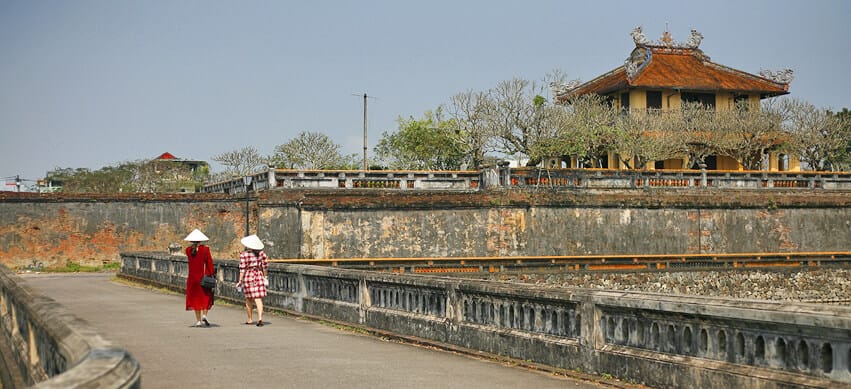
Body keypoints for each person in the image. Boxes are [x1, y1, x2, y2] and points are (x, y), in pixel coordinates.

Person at [184, 228, 215, 327]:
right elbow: (209, 263)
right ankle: (204, 315)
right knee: (205, 296)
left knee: (196, 299)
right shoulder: (205, 250)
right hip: (203, 278)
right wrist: (211, 274)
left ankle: (198, 321)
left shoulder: (188, 250)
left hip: (192, 278)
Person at [237, 234, 268, 327]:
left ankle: (250, 319)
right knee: (258, 299)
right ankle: (260, 318)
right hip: (258, 275)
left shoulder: (244, 255)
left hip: (248, 276)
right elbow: (265, 267)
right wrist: (265, 277)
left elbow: (242, 269)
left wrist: (239, 281)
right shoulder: (262, 254)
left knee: (249, 299)